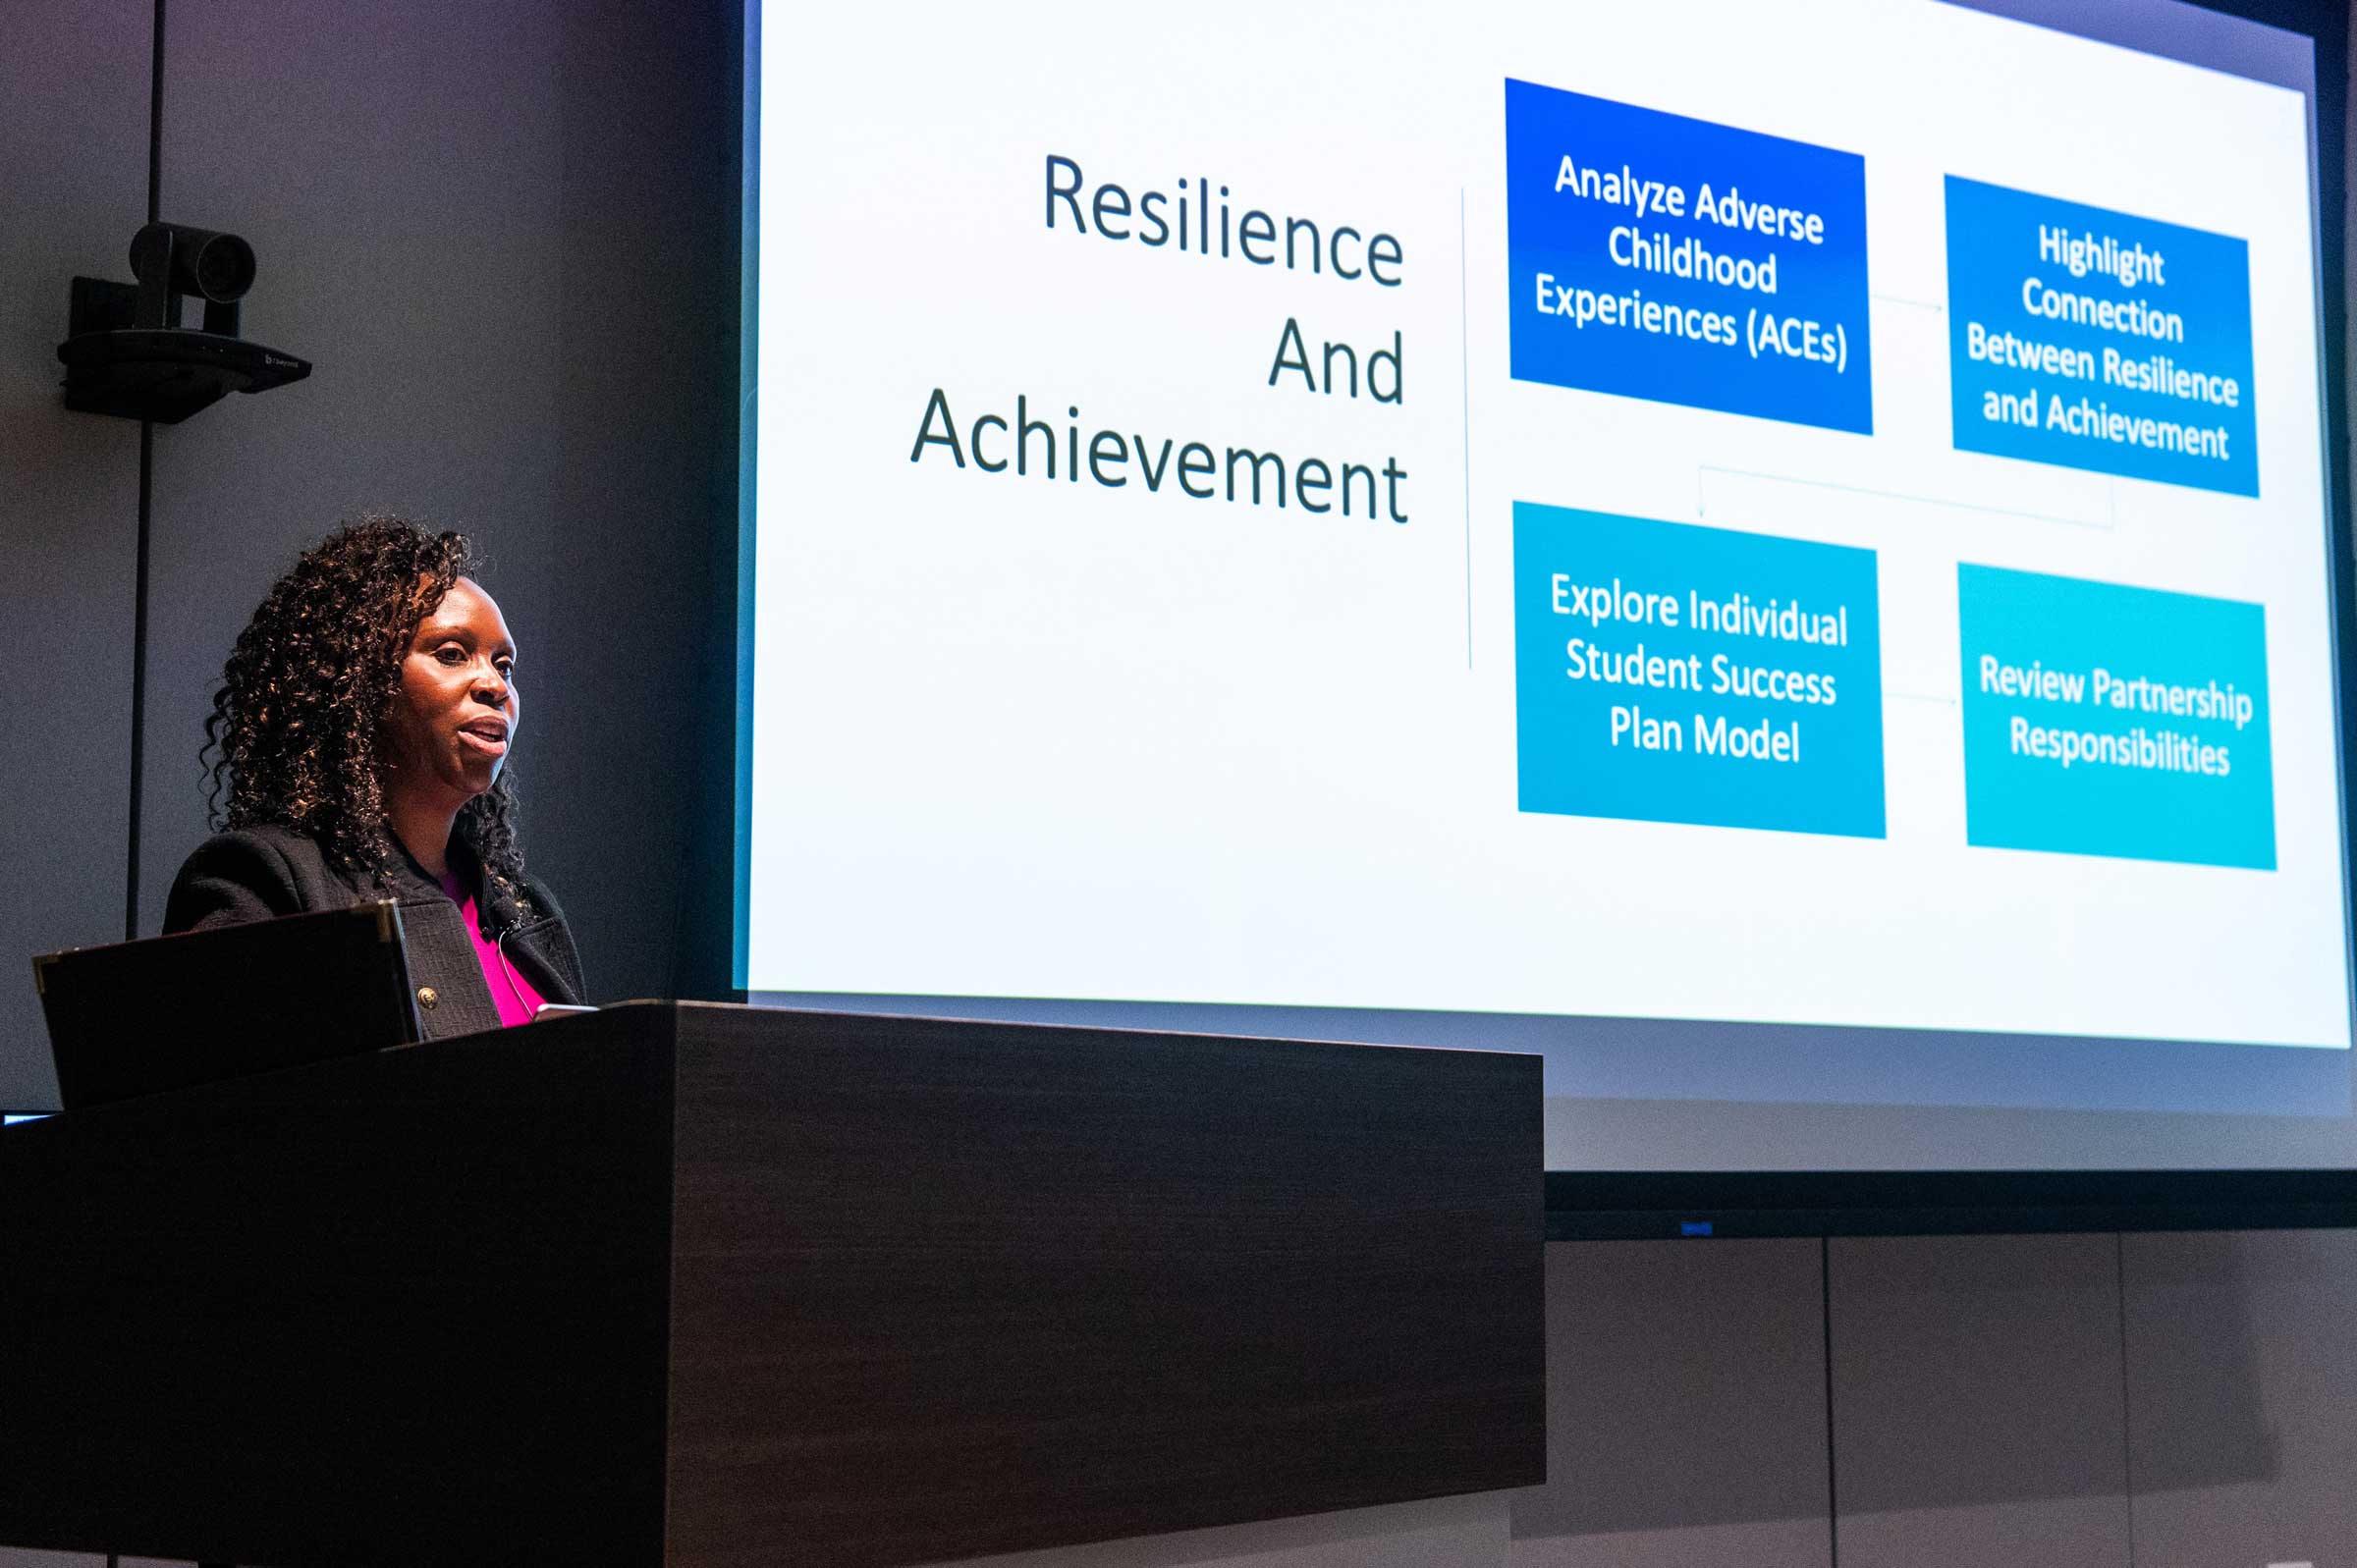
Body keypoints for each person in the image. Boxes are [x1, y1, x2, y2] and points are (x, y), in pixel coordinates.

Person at [164, 516, 584, 1037]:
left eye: (505, 666)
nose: (494, 685)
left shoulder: (524, 908)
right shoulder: (266, 881)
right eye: (452, 655)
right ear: (359, 683)